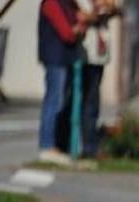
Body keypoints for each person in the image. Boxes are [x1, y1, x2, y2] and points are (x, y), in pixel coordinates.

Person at [38, 0, 85, 166]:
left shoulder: (68, 4)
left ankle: (55, 145)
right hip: (55, 58)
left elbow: (80, 22)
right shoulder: (52, 3)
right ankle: (47, 145)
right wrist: (77, 29)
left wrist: (79, 25)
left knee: (60, 101)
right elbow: (67, 33)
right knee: (54, 101)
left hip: (64, 58)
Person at [76, 0, 120, 159]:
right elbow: (80, 16)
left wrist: (110, 9)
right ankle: (87, 147)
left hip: (99, 55)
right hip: (85, 53)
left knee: (92, 102)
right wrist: (96, 14)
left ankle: (90, 146)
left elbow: (116, 9)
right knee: (86, 101)